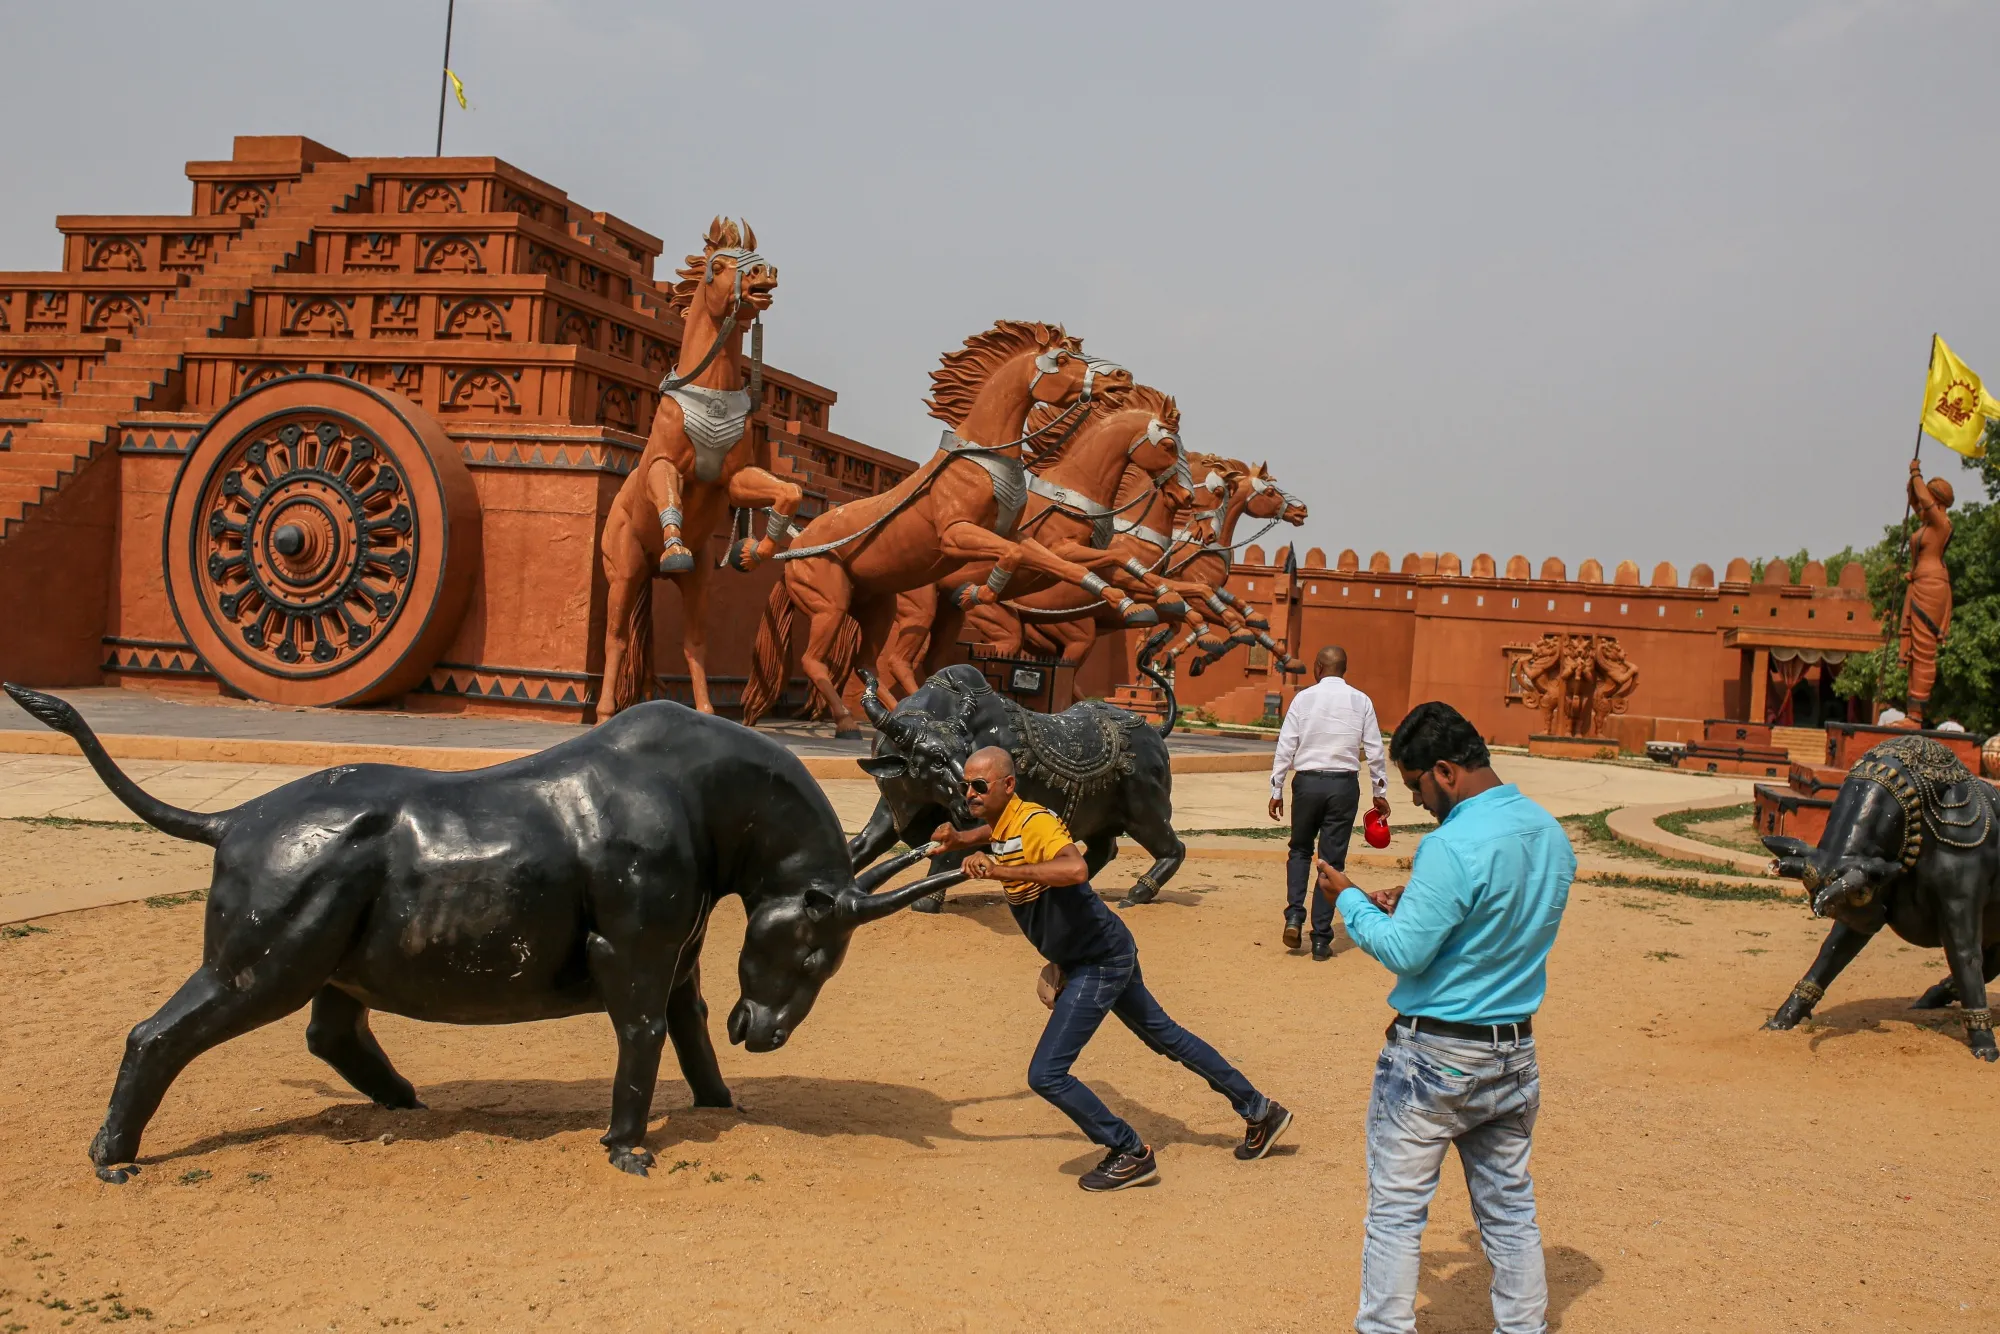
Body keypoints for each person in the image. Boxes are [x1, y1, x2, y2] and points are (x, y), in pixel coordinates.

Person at [1315, 702, 1575, 1334]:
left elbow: (1405, 951)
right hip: (1513, 1055)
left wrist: (1348, 897)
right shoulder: (1548, 833)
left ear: (1444, 771)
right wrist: (1418, 902)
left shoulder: (1452, 843)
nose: (1419, 802)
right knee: (1511, 1212)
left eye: (1416, 787)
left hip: (1434, 1060)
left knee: (1398, 1215)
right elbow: (1497, 918)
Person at [935, 745, 1292, 1192]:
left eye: (979, 785)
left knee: (1046, 1074)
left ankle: (1129, 1151)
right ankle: (1261, 1110)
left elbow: (1075, 868)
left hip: (1100, 960)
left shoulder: (1035, 822)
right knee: (1166, 1035)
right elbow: (996, 835)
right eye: (966, 785)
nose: (969, 792)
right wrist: (962, 840)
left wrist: (999, 873)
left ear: (1008, 785)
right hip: (1098, 951)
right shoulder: (1007, 824)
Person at [1268, 645, 1389, 960]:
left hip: (1308, 783)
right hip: (1343, 786)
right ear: (1344, 668)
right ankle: (1321, 939)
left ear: (1318, 667)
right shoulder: (1361, 701)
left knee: (1300, 849)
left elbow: (1286, 745)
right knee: (1331, 861)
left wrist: (1277, 787)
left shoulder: (1304, 699)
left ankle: (1294, 915)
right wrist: (1380, 790)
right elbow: (1375, 749)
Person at [1899, 458, 1955, 727]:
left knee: (1923, 651)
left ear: (1939, 503)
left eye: (1929, 501)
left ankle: (1916, 714)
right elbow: (1916, 500)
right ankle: (1912, 713)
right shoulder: (1926, 527)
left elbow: (1924, 500)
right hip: (1919, 586)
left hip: (1932, 589)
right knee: (1914, 652)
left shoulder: (1942, 525)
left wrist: (1916, 473)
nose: (1923, 506)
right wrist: (1912, 486)